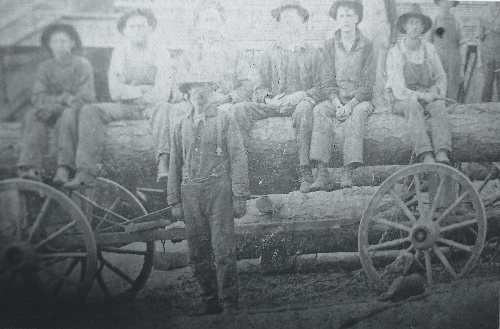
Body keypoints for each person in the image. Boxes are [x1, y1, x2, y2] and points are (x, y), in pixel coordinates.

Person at [65, 9, 175, 189]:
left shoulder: (161, 52)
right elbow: (115, 91)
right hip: (126, 107)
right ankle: (85, 171)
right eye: (132, 27)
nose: (137, 30)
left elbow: (162, 91)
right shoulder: (119, 52)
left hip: (154, 108)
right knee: (90, 110)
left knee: (164, 108)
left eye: (141, 26)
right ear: (125, 30)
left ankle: (164, 164)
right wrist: (142, 90)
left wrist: (131, 89)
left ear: (150, 29)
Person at [167, 81, 249, 315]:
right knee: (197, 251)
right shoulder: (180, 124)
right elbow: (175, 163)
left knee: (223, 248)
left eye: (204, 89)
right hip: (190, 192)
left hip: (218, 190)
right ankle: (209, 299)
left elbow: (238, 156)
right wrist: (174, 199)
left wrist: (240, 194)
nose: (199, 94)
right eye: (194, 90)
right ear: (187, 95)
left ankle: (229, 302)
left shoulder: (224, 119)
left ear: (210, 93)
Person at [154, 1, 254, 181]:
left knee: (225, 117)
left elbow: (247, 84)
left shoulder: (234, 51)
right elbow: (178, 86)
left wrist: (228, 98)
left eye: (215, 20)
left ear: (222, 23)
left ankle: (222, 171)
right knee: (173, 110)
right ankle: (169, 164)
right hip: (194, 103)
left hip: (222, 104)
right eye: (206, 20)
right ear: (199, 24)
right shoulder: (189, 53)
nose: (210, 26)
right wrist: (188, 97)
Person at [232, 0, 322, 193]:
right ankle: (242, 172)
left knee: (306, 109)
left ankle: (304, 171)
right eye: (285, 17)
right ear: (279, 22)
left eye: (293, 17)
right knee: (239, 110)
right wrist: (268, 99)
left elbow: (321, 87)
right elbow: (259, 87)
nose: (289, 21)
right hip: (274, 105)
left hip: (300, 105)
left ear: (302, 21)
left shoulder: (313, 53)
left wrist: (301, 95)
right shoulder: (269, 53)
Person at [308, 0, 376, 191]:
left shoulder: (367, 45)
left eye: (349, 15)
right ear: (337, 19)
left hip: (360, 100)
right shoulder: (330, 45)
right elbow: (326, 80)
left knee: (359, 115)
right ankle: (322, 173)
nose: (345, 20)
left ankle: (348, 171)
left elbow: (368, 83)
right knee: (320, 111)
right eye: (341, 16)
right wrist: (337, 103)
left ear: (356, 18)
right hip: (337, 99)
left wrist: (351, 105)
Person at [17, 23, 95, 184]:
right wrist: (59, 101)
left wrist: (60, 106)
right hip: (51, 111)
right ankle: (30, 167)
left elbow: (86, 96)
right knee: (32, 115)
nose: (59, 46)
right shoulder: (45, 67)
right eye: (55, 42)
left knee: (67, 115)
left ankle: (64, 167)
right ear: (49, 45)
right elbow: (38, 96)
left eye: (63, 41)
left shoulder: (82, 64)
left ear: (72, 43)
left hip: (75, 113)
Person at [386, 4, 451, 164]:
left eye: (418, 23)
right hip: (401, 99)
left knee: (439, 106)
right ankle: (425, 154)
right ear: (404, 26)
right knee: (412, 105)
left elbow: (441, 77)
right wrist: (424, 96)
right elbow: (400, 91)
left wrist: (437, 93)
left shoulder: (429, 49)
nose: (414, 27)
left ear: (423, 27)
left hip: (427, 96)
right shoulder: (396, 52)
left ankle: (442, 151)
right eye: (410, 23)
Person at [431, 0, 466, 101]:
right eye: (443, 1)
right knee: (438, 90)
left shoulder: (456, 21)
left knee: (452, 92)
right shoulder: (435, 20)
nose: (446, 4)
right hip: (438, 61)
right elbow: (429, 43)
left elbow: (462, 43)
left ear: (452, 4)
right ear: (439, 3)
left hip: (453, 63)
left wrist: (462, 67)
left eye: (449, 1)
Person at [478, 2, 500, 102]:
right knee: (487, 83)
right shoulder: (484, 11)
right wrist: (479, 60)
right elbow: (480, 37)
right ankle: (484, 111)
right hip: (487, 51)